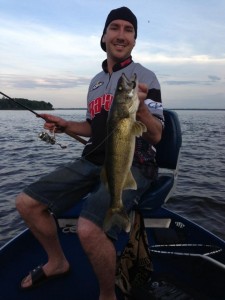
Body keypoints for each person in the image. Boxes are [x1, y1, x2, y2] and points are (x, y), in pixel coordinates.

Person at [16, 6, 164, 300]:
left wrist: (141, 108)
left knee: (89, 229)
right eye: (115, 28)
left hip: (136, 161)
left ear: (134, 40)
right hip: (94, 158)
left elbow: (157, 135)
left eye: (129, 29)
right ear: (104, 35)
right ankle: (57, 262)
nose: (121, 35)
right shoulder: (95, 82)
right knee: (26, 203)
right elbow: (92, 125)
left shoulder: (146, 77)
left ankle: (107, 294)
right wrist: (65, 124)